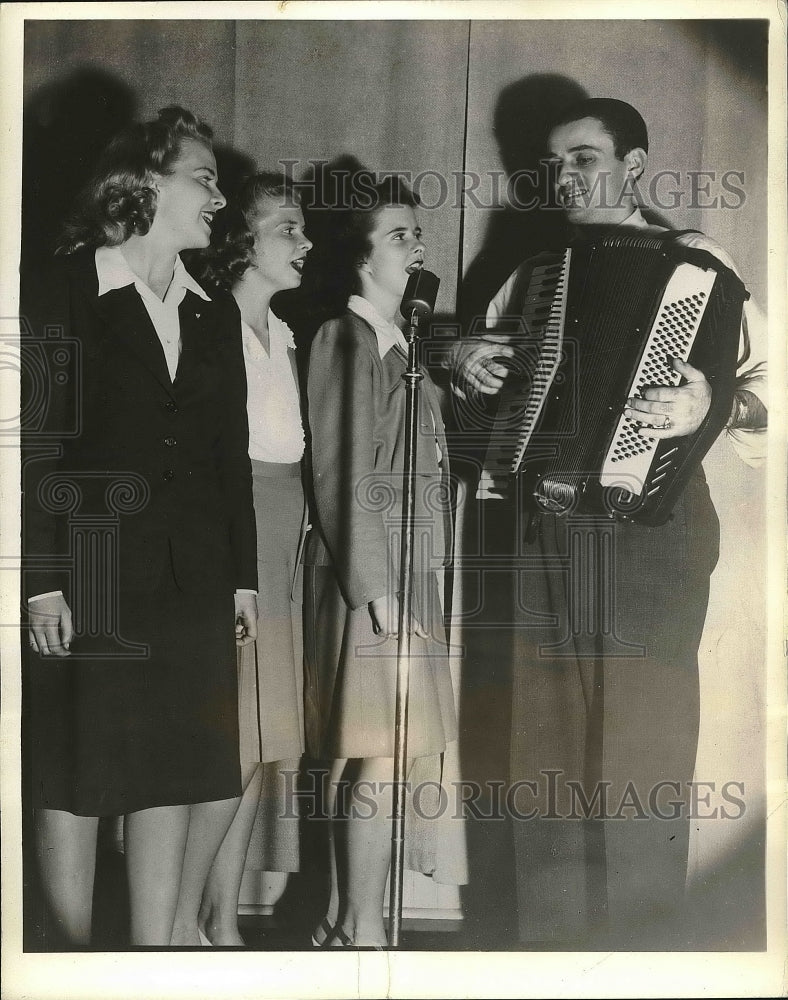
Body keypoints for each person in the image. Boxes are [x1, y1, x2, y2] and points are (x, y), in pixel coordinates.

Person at [450, 98, 767, 948]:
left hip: (647, 540)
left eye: (584, 158)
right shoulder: (534, 270)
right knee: (540, 762)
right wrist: (465, 364)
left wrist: (716, 399)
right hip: (541, 531)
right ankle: (547, 954)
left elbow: (770, 393)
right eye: (555, 163)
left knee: (640, 757)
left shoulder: (697, 265)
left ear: (634, 165)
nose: (565, 178)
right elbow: (480, 377)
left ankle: (642, 956)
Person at [22, 106, 258, 947]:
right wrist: (41, 578)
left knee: (174, 768)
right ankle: (75, 958)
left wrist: (240, 578)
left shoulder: (213, 310)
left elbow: (228, 457)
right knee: (73, 768)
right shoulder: (59, 287)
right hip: (86, 575)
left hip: (190, 575)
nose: (221, 200)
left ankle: (153, 955)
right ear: (144, 183)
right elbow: (32, 446)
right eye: (206, 178)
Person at [303, 177, 458, 947]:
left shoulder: (405, 348)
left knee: (386, 754)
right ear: (360, 256)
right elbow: (339, 470)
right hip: (375, 583)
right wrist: (375, 589)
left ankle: (344, 919)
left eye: (417, 232)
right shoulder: (347, 337)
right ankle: (363, 928)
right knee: (379, 755)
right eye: (400, 235)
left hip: (409, 577)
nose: (418, 245)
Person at [191, 173, 312, 945]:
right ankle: (179, 918)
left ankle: (220, 919)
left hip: (281, 541)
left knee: (257, 744)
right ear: (243, 239)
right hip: (234, 546)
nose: (306, 244)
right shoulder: (209, 328)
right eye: (288, 229)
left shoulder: (285, 333)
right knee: (229, 742)